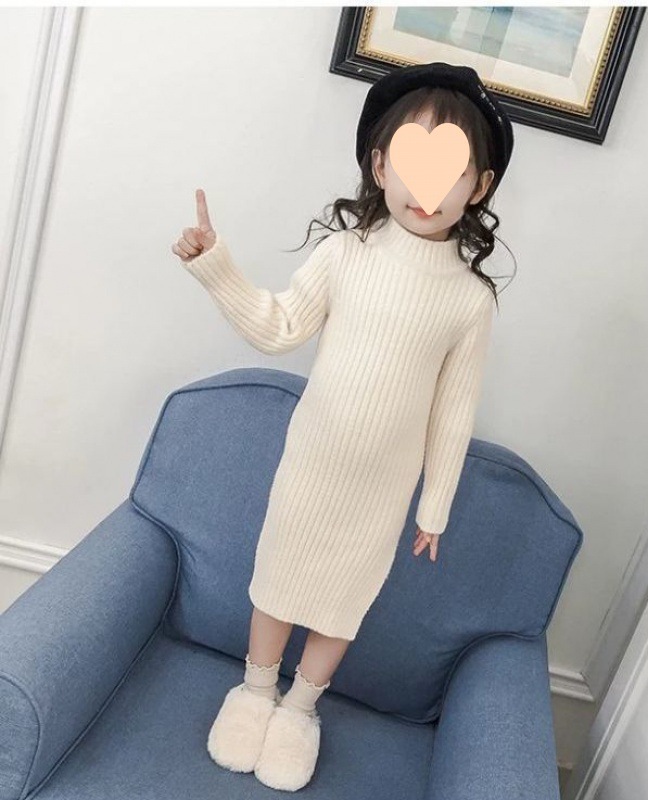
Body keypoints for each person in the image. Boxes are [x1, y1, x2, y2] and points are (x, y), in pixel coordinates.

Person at [171, 61, 514, 792]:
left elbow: (453, 412)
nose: (427, 187)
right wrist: (216, 267)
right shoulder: (345, 253)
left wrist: (434, 507)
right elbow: (279, 326)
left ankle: (300, 710)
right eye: (413, 163)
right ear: (382, 166)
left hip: (382, 491)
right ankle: (255, 692)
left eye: (451, 170)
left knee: (341, 602)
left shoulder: (470, 301)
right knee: (279, 581)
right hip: (312, 466)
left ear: (480, 186)